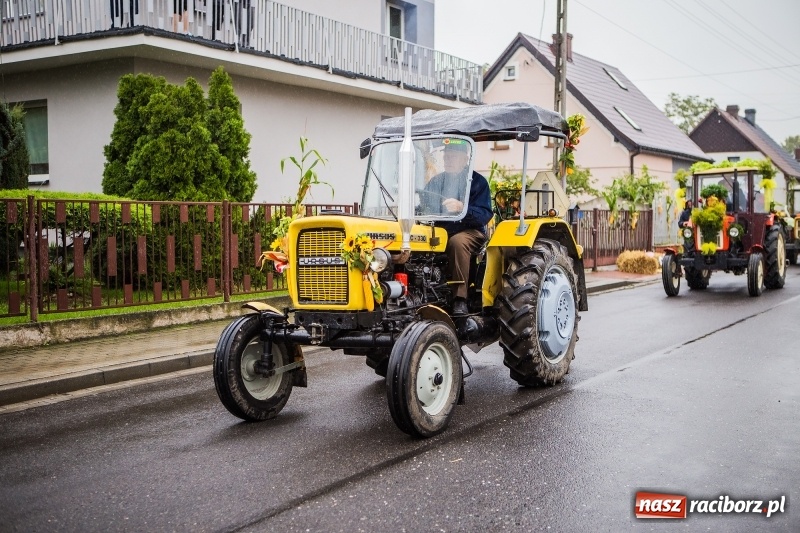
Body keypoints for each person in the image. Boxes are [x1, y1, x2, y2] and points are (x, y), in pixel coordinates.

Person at [421, 140, 493, 315]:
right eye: (446, 156)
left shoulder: (477, 182)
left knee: (457, 242)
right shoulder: (436, 181)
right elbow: (423, 206)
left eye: (453, 156)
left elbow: (484, 215)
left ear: (465, 159)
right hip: (440, 231)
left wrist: (462, 208)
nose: (448, 159)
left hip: (470, 231)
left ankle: (460, 299)